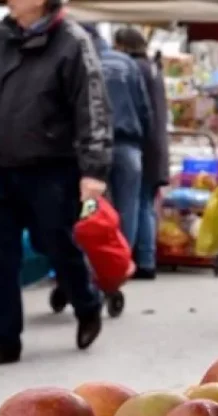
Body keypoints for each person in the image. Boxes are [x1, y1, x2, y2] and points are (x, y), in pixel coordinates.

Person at [0, 0, 113, 368]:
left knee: (57, 243)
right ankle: (2, 340)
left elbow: (92, 108)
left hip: (50, 167)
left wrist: (94, 171)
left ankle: (87, 303)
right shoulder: (0, 37)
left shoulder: (71, 41)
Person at [82, 24, 152, 249]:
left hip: (91, 147)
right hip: (128, 145)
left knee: (90, 205)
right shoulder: (126, 62)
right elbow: (144, 107)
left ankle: (93, 263)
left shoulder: (81, 61)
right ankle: (120, 265)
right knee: (127, 207)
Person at [113, 27, 170, 280]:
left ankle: (133, 259)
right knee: (146, 203)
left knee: (134, 204)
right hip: (155, 145)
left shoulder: (132, 69)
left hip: (141, 144)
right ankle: (147, 259)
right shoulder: (152, 68)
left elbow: (140, 110)